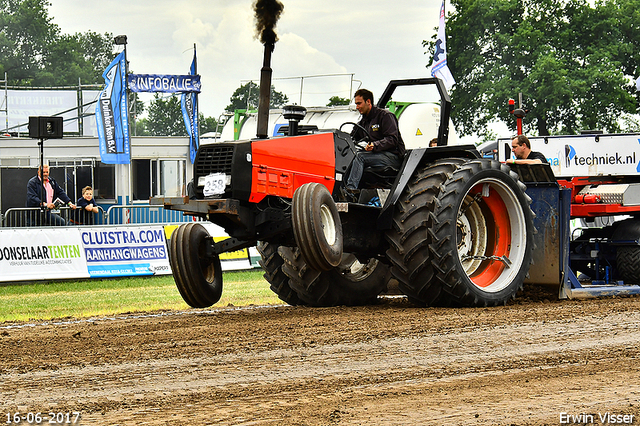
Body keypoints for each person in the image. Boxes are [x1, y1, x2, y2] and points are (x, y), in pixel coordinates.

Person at [344, 88, 406, 191]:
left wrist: (375, 145)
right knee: (350, 157)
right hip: (376, 156)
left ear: (368, 102)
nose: (357, 107)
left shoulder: (385, 116)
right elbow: (352, 138)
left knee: (360, 157)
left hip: (392, 156)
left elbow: (392, 139)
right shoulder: (363, 122)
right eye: (356, 104)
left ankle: (351, 190)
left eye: (359, 103)